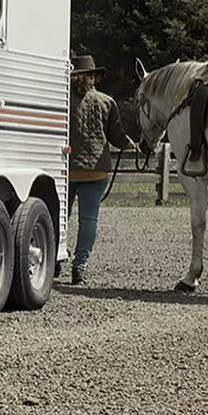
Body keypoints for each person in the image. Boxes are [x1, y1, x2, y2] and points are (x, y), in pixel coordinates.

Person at [67, 52, 132, 284]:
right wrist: (129, 144)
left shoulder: (63, 100)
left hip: (67, 168)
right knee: (88, 219)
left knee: (61, 215)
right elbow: (116, 137)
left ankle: (55, 258)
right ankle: (79, 266)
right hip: (96, 169)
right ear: (93, 77)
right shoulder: (107, 101)